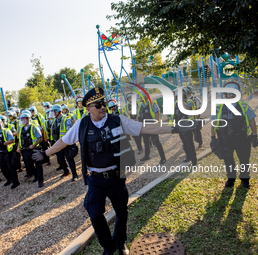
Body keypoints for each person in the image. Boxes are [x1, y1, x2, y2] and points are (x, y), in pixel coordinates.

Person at [32, 87, 196, 255]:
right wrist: (45, 153)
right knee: (95, 214)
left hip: (116, 177)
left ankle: (120, 242)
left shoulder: (118, 120)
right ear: (88, 109)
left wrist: (175, 128)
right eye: (98, 105)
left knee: (121, 211)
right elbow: (64, 141)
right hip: (95, 180)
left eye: (103, 103)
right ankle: (109, 246)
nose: (103, 107)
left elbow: (145, 127)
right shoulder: (82, 124)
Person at [211, 82, 258, 188]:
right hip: (225, 139)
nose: (231, 96)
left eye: (233, 94)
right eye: (229, 93)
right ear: (225, 95)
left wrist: (254, 135)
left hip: (242, 139)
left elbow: (252, 121)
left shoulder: (244, 106)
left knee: (244, 160)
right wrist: (212, 137)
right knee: (228, 160)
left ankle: (245, 179)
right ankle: (231, 178)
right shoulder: (218, 107)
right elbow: (213, 123)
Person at [170, 88, 198, 166]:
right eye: (177, 96)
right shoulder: (176, 104)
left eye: (180, 95)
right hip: (179, 127)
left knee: (190, 143)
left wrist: (182, 100)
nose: (179, 97)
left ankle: (194, 161)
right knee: (184, 143)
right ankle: (188, 156)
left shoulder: (190, 102)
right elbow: (175, 115)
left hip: (187, 126)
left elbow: (186, 108)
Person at [50, 104, 77, 181]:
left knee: (70, 159)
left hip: (66, 143)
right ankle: (66, 171)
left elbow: (69, 132)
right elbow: (53, 131)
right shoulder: (54, 121)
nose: (53, 114)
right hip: (58, 144)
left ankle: (74, 174)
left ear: (58, 112)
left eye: (54, 112)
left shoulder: (66, 120)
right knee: (60, 159)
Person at [137, 94, 166, 164]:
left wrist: (155, 124)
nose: (140, 98)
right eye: (140, 96)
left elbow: (157, 114)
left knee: (156, 142)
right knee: (146, 142)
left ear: (146, 96)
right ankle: (147, 156)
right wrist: (138, 125)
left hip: (151, 126)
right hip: (144, 127)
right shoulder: (140, 105)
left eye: (142, 96)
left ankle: (163, 158)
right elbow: (138, 116)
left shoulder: (152, 103)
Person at [17, 112, 44, 188]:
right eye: (22, 119)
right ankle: (36, 176)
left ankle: (40, 180)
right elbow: (20, 139)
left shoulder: (34, 127)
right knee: (29, 165)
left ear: (29, 119)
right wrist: (18, 147)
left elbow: (40, 138)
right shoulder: (21, 128)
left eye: (25, 119)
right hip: (25, 150)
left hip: (34, 149)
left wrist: (34, 145)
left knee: (38, 165)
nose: (23, 120)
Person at [0, 117, 20, 189]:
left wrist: (3, 143)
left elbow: (12, 140)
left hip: (7, 152)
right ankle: (9, 179)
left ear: (0, 123)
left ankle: (15, 182)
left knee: (11, 167)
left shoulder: (6, 130)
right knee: (2, 167)